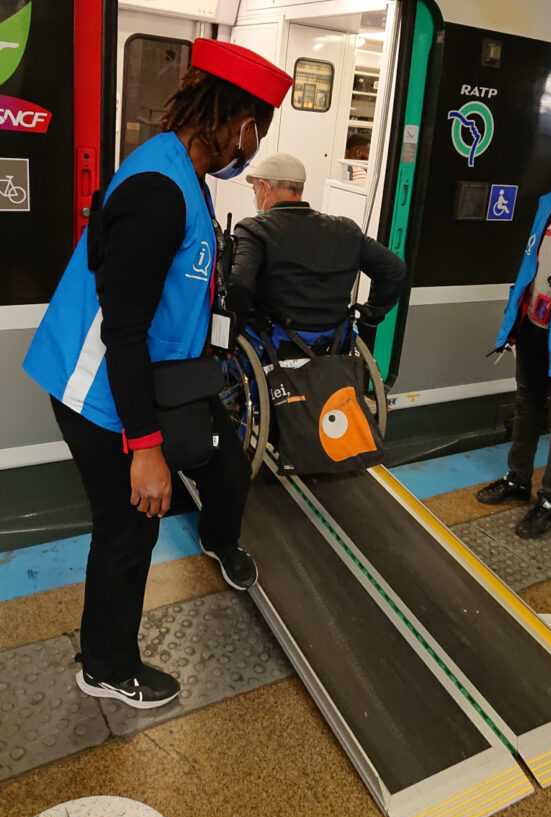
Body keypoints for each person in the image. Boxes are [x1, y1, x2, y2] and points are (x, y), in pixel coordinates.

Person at [23, 39, 293, 708]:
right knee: (131, 522)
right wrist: (144, 448)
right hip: (102, 387)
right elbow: (122, 329)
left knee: (216, 468)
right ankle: (107, 665)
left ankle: (215, 543)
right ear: (240, 121)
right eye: (258, 128)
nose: (254, 146)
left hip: (162, 376)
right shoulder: (157, 191)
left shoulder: (183, 173)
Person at [477, 125, 551, 539]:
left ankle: (550, 501)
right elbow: (529, 265)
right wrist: (513, 322)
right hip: (535, 327)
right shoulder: (548, 203)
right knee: (526, 407)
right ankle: (518, 481)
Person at [227, 153, 406, 347]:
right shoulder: (345, 230)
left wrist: (236, 325)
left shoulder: (255, 230)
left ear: (264, 187)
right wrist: (370, 317)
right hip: (333, 342)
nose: (256, 197)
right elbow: (394, 269)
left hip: (274, 342)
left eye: (255, 191)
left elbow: (239, 283)